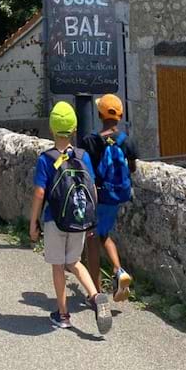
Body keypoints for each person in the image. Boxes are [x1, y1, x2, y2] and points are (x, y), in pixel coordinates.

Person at [29, 101, 112, 334]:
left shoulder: (46, 159)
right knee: (75, 262)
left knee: (58, 265)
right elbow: (92, 188)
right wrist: (91, 218)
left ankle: (63, 314)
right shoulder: (83, 156)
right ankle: (95, 297)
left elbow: (39, 192)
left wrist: (32, 222)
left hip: (55, 220)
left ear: (52, 128)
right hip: (80, 217)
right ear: (75, 129)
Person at [82, 94, 138, 302]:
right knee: (103, 233)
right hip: (117, 195)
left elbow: (85, 169)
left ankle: (95, 293)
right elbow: (132, 167)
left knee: (92, 240)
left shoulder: (91, 141)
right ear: (120, 115)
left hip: (98, 196)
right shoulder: (126, 140)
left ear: (99, 114)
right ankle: (118, 270)